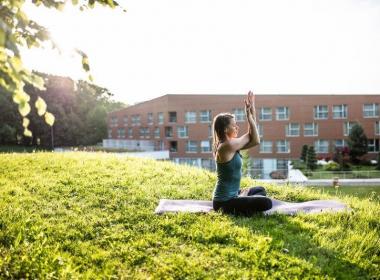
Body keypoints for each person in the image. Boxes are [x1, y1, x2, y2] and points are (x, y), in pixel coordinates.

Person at [212, 91, 272, 216]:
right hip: (224, 202)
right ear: (225, 130)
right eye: (234, 126)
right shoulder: (227, 146)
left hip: (233, 195)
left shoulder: (232, 144)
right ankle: (240, 203)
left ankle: (240, 199)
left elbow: (253, 137)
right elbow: (255, 139)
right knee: (266, 203)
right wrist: (249, 117)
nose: (237, 128)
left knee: (260, 190)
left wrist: (252, 110)